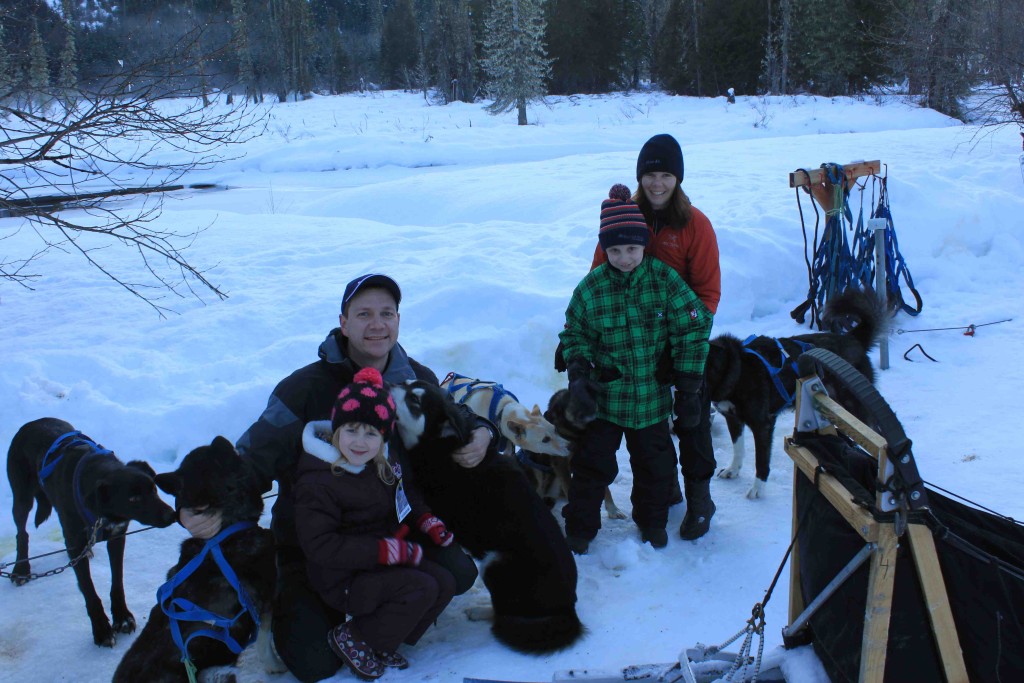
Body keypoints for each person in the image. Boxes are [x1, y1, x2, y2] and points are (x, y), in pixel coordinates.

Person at [182, 273, 496, 683]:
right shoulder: (303, 388)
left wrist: (482, 430)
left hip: (389, 532)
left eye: (386, 313)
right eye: (363, 314)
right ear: (344, 322)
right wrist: (204, 504)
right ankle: (318, 609)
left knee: (457, 574)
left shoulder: (413, 376)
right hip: (316, 544)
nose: (377, 324)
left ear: (398, 320)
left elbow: (452, 415)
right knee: (315, 664)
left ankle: (372, 622)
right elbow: (250, 457)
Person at [559, 184, 712, 553]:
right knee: (591, 465)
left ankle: (652, 522)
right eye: (614, 250)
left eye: (631, 248)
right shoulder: (591, 288)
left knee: (656, 467)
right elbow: (573, 331)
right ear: (604, 250)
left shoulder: (665, 281)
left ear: (644, 244)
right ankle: (580, 527)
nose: (625, 258)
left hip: (650, 401)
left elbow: (695, 326)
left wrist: (688, 381)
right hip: (606, 401)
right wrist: (578, 372)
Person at [590, 133, 721, 541]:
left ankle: (701, 497)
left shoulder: (695, 224)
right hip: (632, 340)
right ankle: (666, 487)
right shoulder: (625, 216)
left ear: (678, 178)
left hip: (682, 338)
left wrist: (686, 348)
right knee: (648, 421)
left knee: (691, 417)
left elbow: (708, 293)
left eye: (666, 174)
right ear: (640, 177)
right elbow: (597, 277)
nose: (657, 183)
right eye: (650, 174)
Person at [294, 366, 456, 680]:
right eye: (351, 430)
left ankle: (383, 638)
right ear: (336, 429)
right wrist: (384, 551)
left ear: (383, 435)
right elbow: (321, 545)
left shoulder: (380, 462)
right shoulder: (318, 482)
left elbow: (403, 495)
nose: (360, 442)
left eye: (371, 433)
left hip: (378, 561)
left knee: (444, 582)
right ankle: (355, 636)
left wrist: (425, 519)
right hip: (341, 576)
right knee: (419, 587)